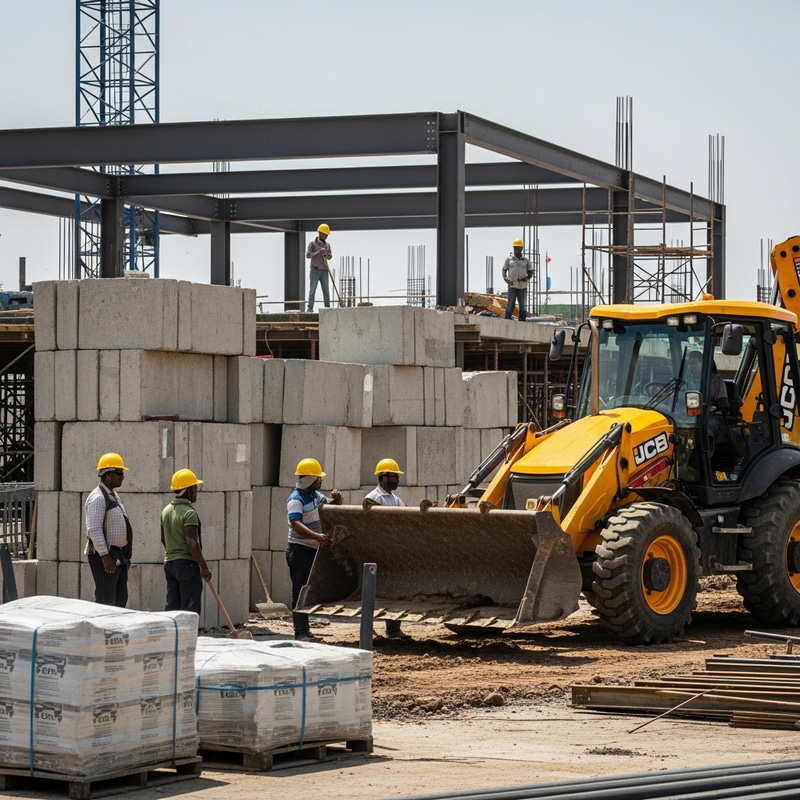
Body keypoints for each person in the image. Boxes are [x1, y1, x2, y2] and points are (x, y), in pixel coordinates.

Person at [286, 457, 342, 641]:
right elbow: (296, 524)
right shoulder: (295, 500)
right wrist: (317, 537)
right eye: (318, 478)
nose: (321, 481)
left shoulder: (316, 496)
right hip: (300, 551)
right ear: (310, 480)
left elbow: (328, 508)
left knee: (308, 589)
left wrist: (337, 500)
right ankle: (300, 632)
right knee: (300, 591)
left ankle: (306, 630)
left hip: (312, 550)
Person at [365, 458, 411, 640]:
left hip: (393, 553)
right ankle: (368, 628)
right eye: (394, 476)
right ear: (383, 477)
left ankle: (393, 629)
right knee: (374, 593)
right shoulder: (372, 499)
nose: (397, 480)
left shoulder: (396, 500)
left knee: (394, 592)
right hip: (378, 553)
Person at [85, 452, 132, 607]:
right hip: (105, 556)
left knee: (119, 600)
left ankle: (115, 630)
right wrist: (105, 556)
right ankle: (103, 630)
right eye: (119, 473)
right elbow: (94, 529)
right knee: (106, 601)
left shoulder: (112, 495)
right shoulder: (98, 498)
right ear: (108, 474)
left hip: (117, 555)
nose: (122, 477)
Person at [161, 468, 210, 614]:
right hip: (187, 566)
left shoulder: (166, 511)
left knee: (172, 608)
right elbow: (192, 544)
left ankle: (171, 635)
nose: (196, 492)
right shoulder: (189, 513)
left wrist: (174, 551)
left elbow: (163, 539)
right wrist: (204, 567)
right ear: (188, 490)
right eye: (195, 488)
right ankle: (188, 637)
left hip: (170, 564)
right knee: (189, 611)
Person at [502, 238, 533, 321]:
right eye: (515, 248)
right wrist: (505, 278)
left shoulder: (526, 261)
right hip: (512, 285)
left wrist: (526, 277)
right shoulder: (509, 260)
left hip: (522, 287)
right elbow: (504, 269)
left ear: (521, 249)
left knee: (522, 306)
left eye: (518, 248)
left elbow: (530, 273)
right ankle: (508, 320)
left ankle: (522, 322)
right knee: (510, 304)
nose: (516, 250)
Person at [306, 223, 332, 312]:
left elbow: (330, 256)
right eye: (325, 234)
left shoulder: (327, 245)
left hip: (324, 270)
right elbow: (308, 255)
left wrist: (327, 255)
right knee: (312, 290)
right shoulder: (312, 244)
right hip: (315, 270)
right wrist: (318, 253)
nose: (326, 236)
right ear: (320, 233)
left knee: (326, 291)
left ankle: (327, 308)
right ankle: (310, 308)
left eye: (327, 235)